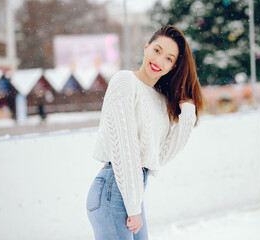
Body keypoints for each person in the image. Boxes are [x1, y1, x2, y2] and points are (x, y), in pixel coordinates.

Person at [86, 25, 205, 240]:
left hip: (132, 192)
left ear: (174, 65)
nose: (159, 61)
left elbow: (159, 157)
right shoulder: (124, 81)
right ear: (146, 47)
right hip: (113, 190)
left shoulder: (161, 100)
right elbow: (124, 148)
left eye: (169, 58)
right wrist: (133, 208)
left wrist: (188, 112)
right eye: (157, 51)